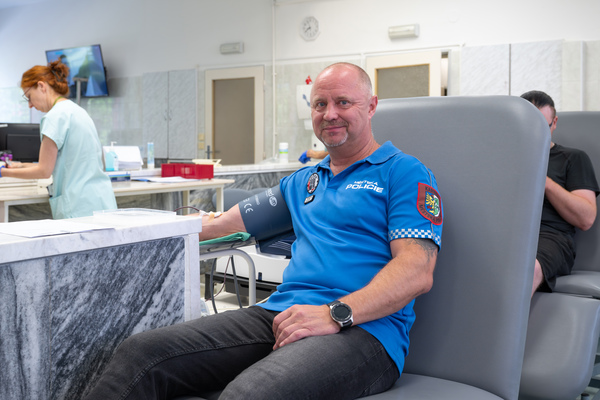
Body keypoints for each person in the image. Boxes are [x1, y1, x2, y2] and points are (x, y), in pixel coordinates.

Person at [84, 63, 443, 400]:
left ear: (371, 106)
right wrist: (132, 229)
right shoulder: (303, 181)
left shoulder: (403, 172)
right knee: (141, 353)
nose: (330, 113)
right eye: (320, 104)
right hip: (282, 313)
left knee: (248, 394)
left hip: (364, 330)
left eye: (343, 102)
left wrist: (333, 313)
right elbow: (221, 225)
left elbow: (416, 270)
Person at [0, 60, 117, 219]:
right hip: (100, 201)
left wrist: (3, 172)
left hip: (78, 207)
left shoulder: (54, 117)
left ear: (41, 86)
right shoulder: (78, 111)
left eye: (29, 97)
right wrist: (20, 166)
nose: (30, 105)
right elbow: (66, 161)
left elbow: (44, 171)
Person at [521, 91, 599, 296]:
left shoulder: (573, 158)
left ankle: (506, 319)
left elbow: (586, 218)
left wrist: (544, 181)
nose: (535, 135)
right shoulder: (502, 157)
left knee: (525, 270)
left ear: (554, 123)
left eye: (542, 128)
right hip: (507, 232)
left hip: (551, 237)